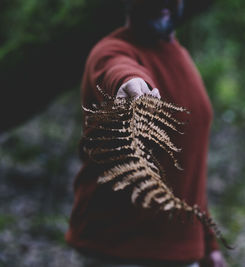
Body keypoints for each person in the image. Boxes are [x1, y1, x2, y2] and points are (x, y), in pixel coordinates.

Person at [65, 0, 227, 266]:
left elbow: (190, 168)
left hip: (181, 252)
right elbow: (116, 68)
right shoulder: (110, 50)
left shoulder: (179, 55)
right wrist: (129, 83)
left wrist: (208, 244)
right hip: (117, 250)